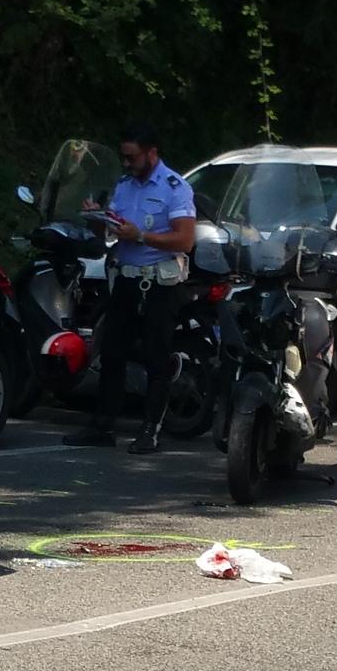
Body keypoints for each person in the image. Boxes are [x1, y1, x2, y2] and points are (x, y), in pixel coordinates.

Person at [64, 122, 196, 454]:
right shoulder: (124, 186)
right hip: (126, 277)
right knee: (112, 352)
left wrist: (141, 236)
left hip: (159, 281)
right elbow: (115, 227)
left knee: (156, 355)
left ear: (152, 153)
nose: (126, 164)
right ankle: (102, 425)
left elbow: (185, 239)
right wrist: (98, 220)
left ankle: (151, 429)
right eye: (123, 157)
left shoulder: (174, 187)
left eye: (132, 157)